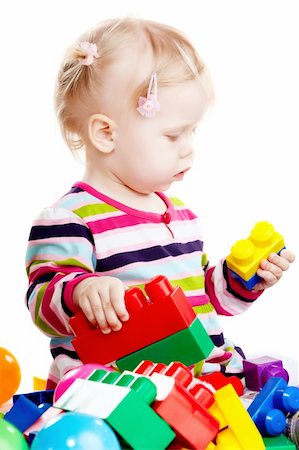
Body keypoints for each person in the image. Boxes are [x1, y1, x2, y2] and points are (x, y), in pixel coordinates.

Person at [25, 17, 295, 389]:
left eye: (192, 131)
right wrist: (81, 291)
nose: (189, 147)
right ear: (106, 133)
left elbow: (204, 301)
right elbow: (42, 303)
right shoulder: (70, 218)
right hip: (123, 393)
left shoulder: (181, 217)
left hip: (205, 379)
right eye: (172, 135)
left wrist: (242, 278)